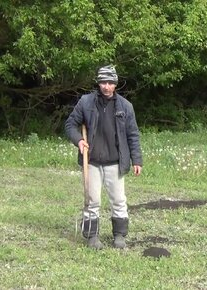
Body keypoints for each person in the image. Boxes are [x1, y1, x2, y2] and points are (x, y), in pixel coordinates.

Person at [65, 65, 142, 249]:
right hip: (91, 161)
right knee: (92, 200)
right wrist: (79, 141)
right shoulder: (86, 102)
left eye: (110, 83)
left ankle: (119, 236)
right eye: (103, 83)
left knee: (118, 200)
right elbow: (70, 125)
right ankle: (92, 236)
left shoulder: (125, 106)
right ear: (98, 83)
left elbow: (133, 134)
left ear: (115, 84)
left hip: (115, 162)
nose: (106, 86)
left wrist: (137, 160)